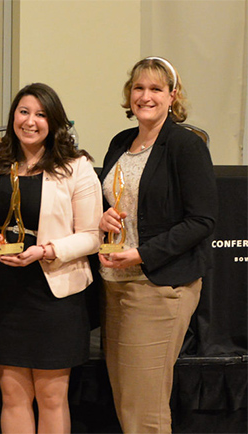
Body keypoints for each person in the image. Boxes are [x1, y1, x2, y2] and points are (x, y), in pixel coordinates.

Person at [0, 83, 102, 433]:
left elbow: (92, 236)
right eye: (24, 112)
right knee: (12, 396)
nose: (30, 121)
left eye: (41, 114)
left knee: (51, 398)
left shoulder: (76, 166)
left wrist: (46, 251)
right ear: (13, 116)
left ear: (54, 122)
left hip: (55, 294)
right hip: (3, 292)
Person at [98, 57, 216, 433]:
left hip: (159, 286)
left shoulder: (185, 145)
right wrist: (103, 218)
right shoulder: (121, 142)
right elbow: (115, 201)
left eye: (155, 89)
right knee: (126, 400)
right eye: (138, 88)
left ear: (172, 96)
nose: (145, 96)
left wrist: (142, 254)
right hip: (115, 283)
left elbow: (201, 220)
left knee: (145, 408)